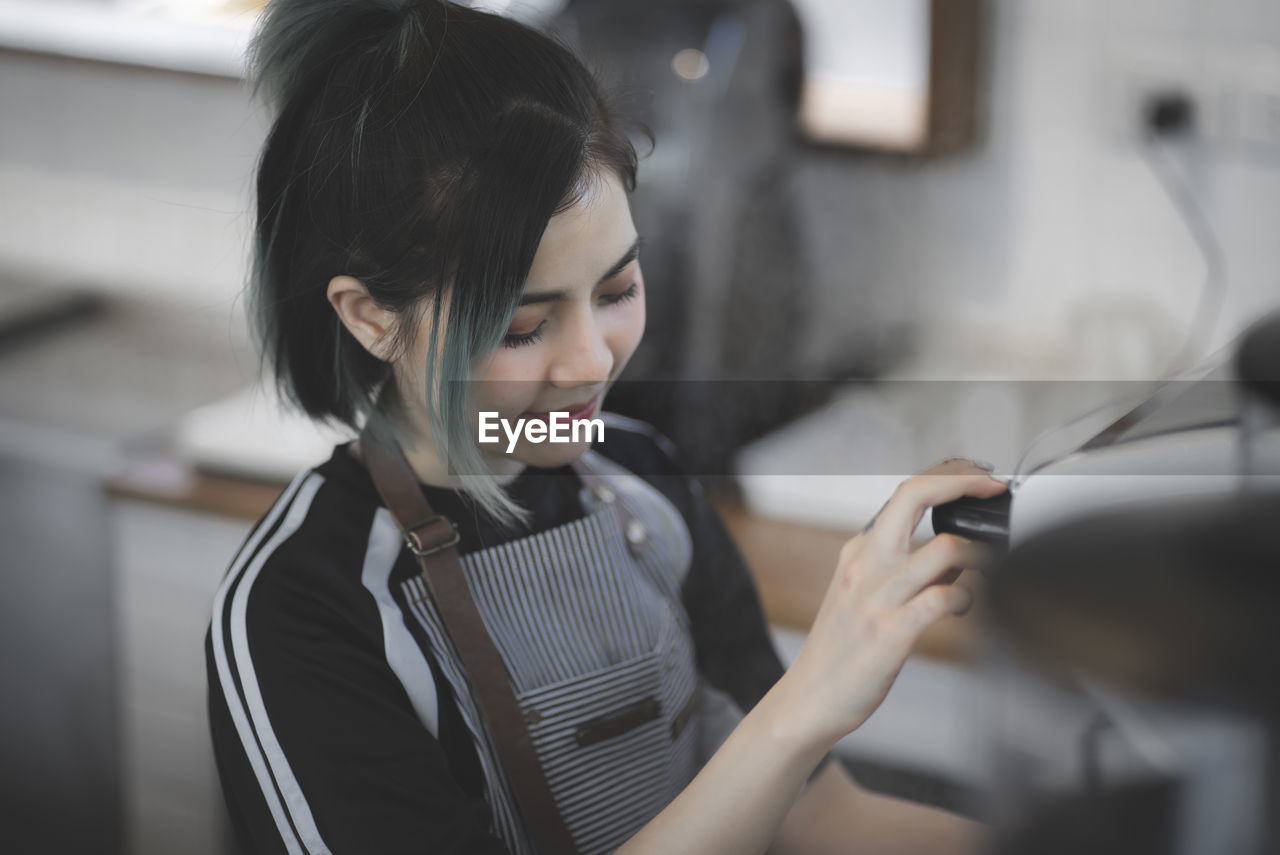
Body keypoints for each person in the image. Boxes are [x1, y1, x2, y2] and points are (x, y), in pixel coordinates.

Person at [205, 1, 1008, 853]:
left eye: (618, 289)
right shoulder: (301, 607)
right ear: (370, 316)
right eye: (523, 326)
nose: (593, 360)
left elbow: (822, 818)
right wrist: (804, 706)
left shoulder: (643, 480)